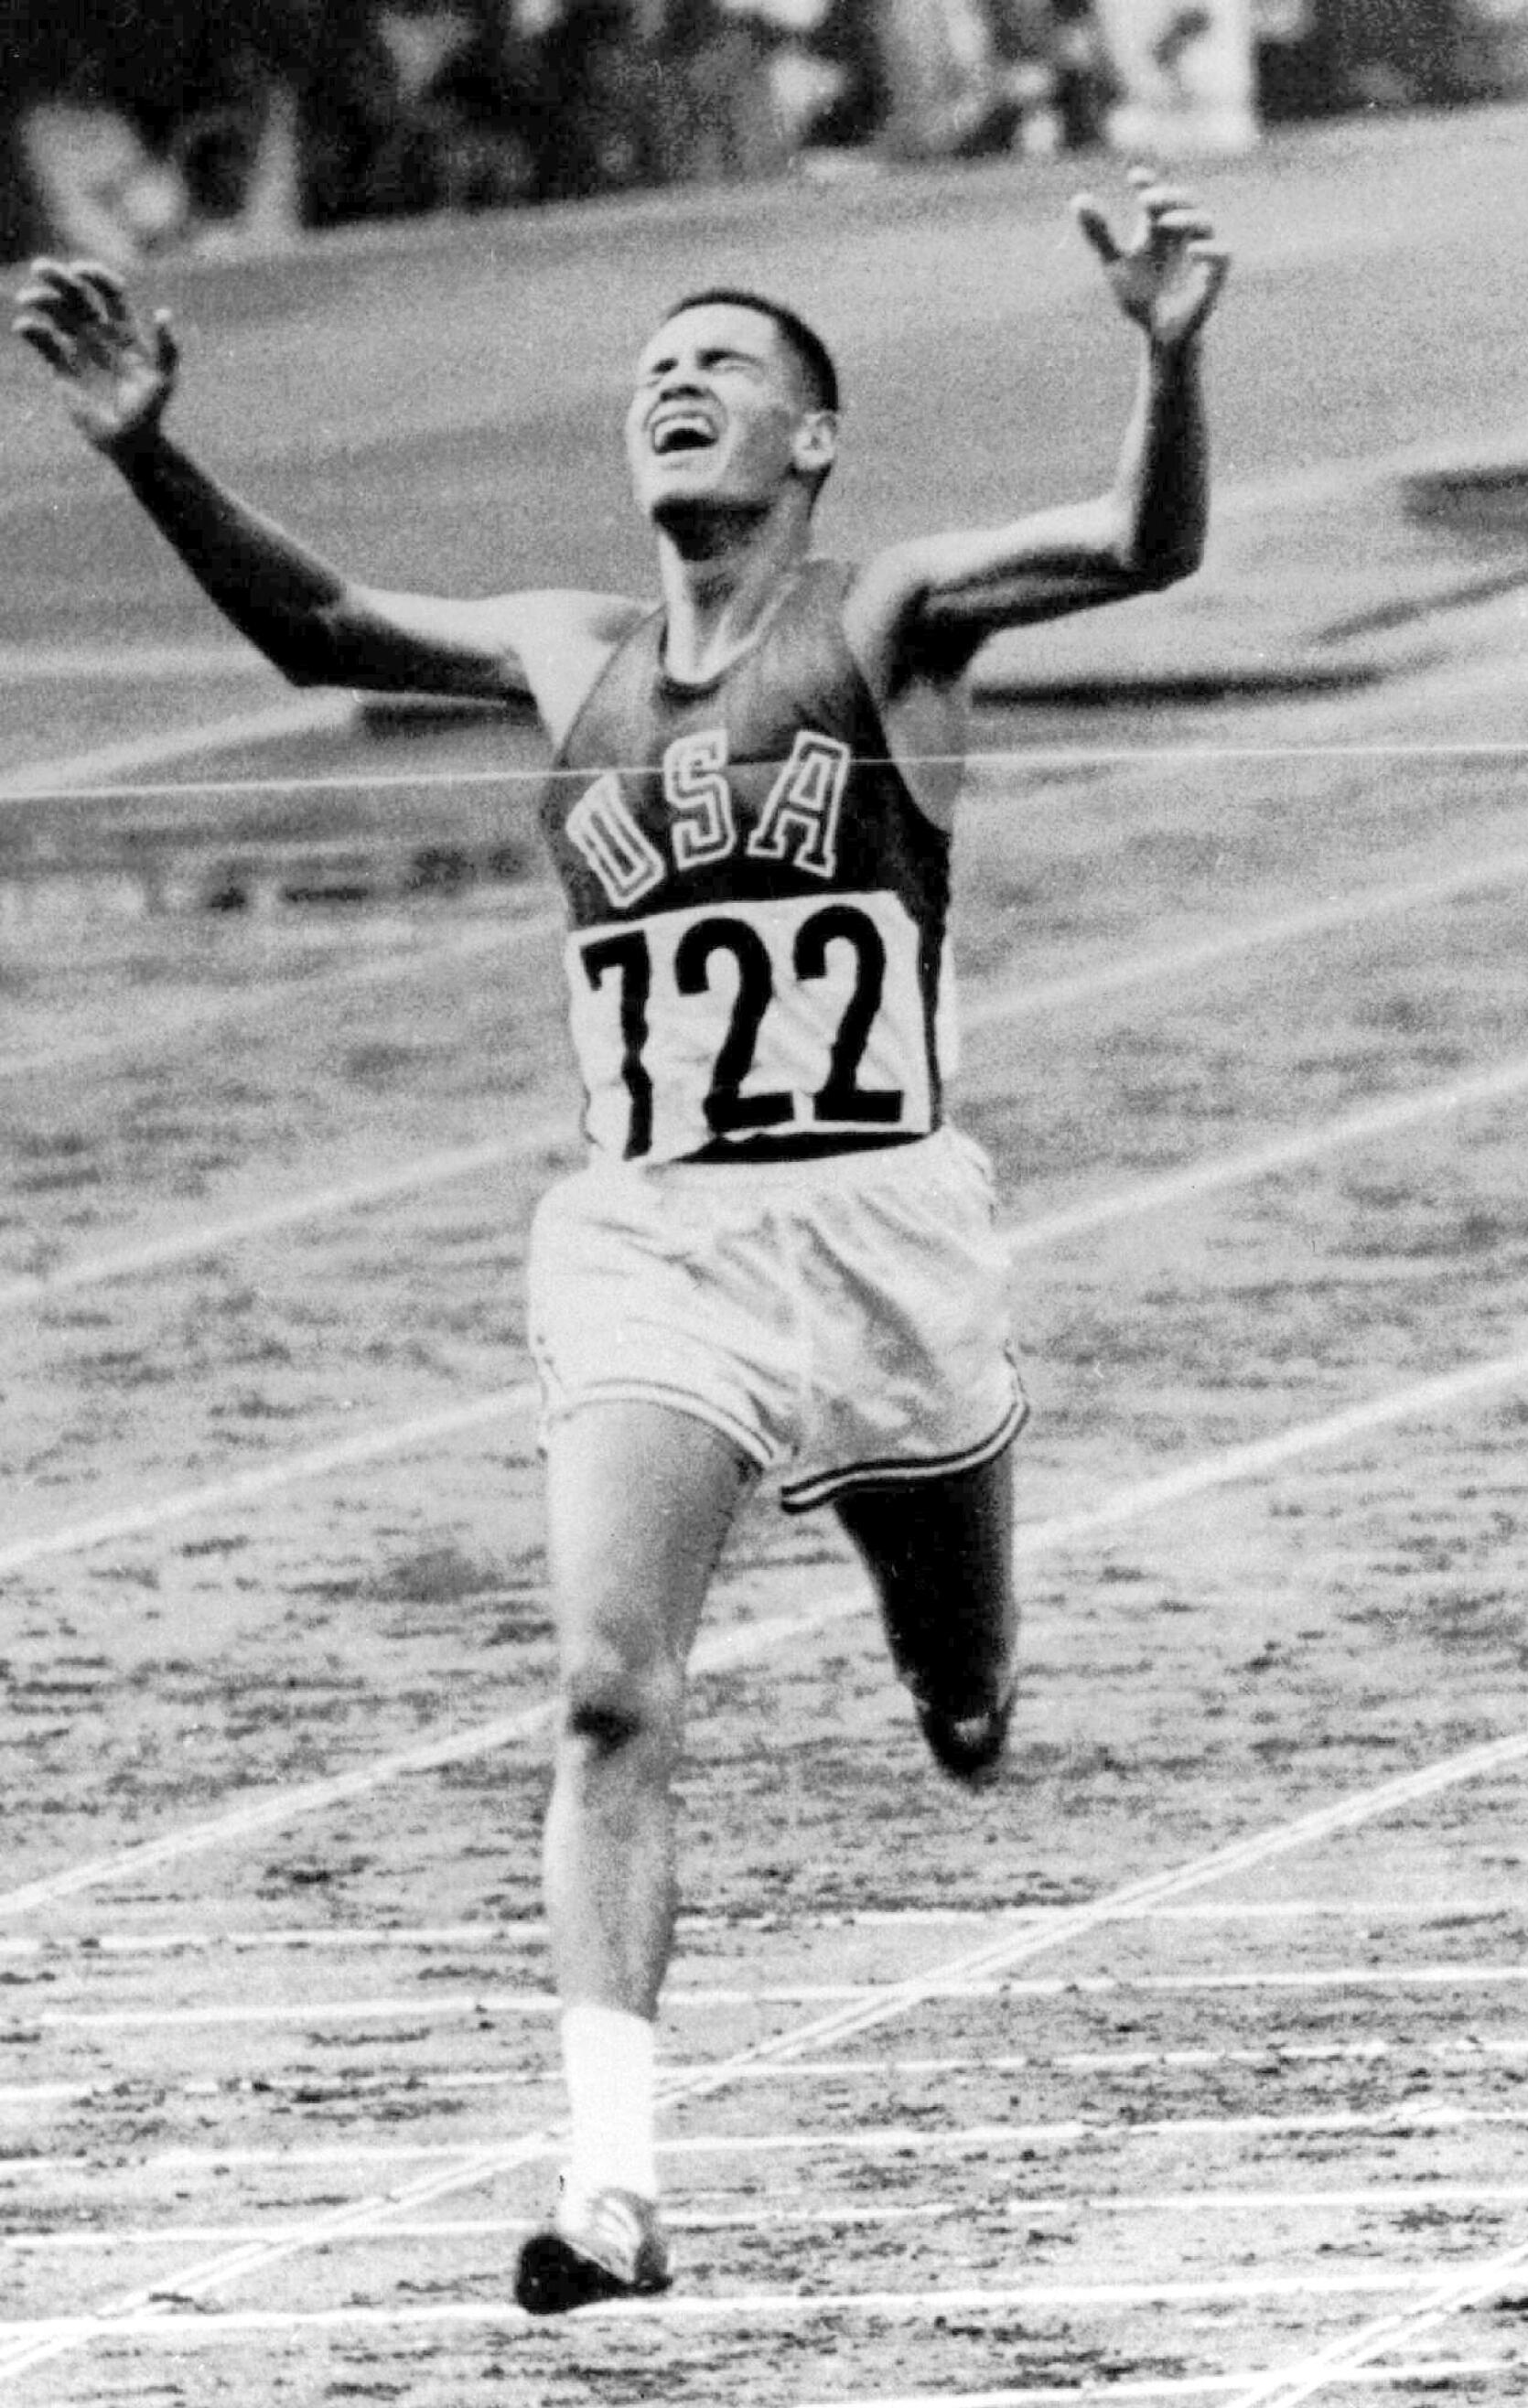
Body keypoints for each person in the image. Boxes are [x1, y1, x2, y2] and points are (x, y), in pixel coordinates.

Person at [10, 167, 1225, 2310]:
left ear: (808, 438)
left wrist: (1166, 348)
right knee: (602, 1685)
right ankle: (613, 2188)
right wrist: (150, 454)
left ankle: (966, 1658)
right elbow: (321, 631)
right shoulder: (561, 656)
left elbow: (1141, 545)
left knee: (957, 1684)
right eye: (652, 371)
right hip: (651, 1242)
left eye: (722, 367)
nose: (675, 386)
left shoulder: (890, 611)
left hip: (883, 1239)